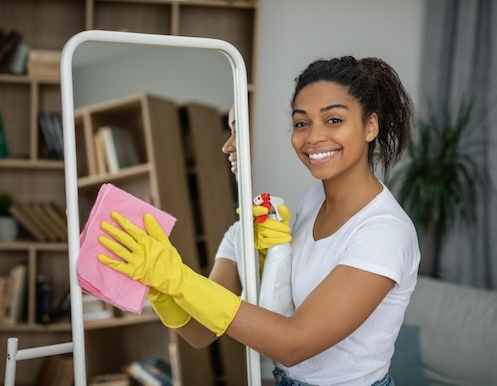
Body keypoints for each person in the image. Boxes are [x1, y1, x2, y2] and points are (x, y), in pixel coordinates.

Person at [97, 56, 421, 386]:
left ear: (370, 126)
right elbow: (200, 333)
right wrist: (160, 286)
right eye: (301, 123)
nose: (313, 137)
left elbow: (295, 343)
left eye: (334, 119)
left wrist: (179, 279)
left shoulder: (384, 232)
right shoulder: (313, 202)